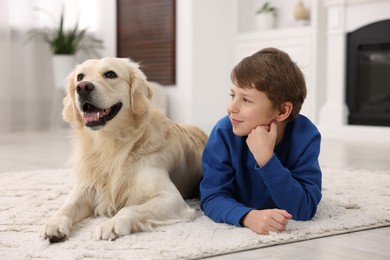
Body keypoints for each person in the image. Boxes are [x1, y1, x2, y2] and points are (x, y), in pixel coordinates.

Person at [199, 47, 322, 235]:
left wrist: (266, 159)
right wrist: (248, 216)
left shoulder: (305, 136)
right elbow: (212, 197)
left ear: (282, 111)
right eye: (233, 95)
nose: (231, 107)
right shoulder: (224, 132)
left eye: (246, 100)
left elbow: (304, 209)